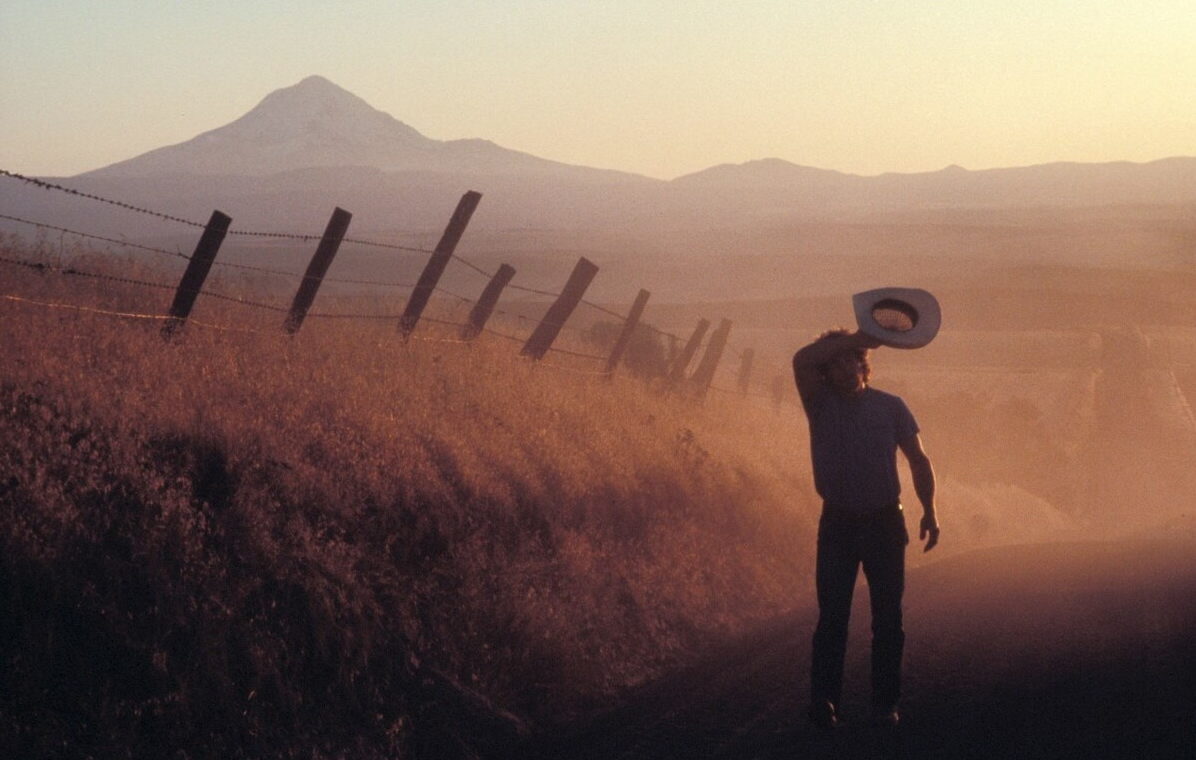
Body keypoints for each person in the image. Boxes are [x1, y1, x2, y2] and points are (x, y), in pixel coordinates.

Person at [792, 328, 940, 731]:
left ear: (864, 364)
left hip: (884, 522)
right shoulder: (818, 402)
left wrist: (930, 510)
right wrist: (859, 337)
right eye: (835, 363)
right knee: (832, 617)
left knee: (888, 618)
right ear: (827, 372)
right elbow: (802, 359)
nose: (843, 369)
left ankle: (885, 704)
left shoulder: (891, 406)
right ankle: (824, 701)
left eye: (851, 360)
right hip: (837, 522)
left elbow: (919, 460)